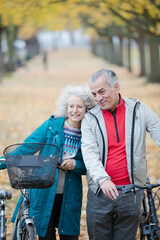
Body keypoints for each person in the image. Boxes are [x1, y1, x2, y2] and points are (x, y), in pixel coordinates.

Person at [1, 85, 96, 240]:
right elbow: (26, 148)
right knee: (46, 235)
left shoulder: (90, 132)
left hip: (70, 193)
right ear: (66, 107)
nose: (75, 110)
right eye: (71, 106)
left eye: (80, 107)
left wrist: (76, 165)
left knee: (70, 235)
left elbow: (93, 164)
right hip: (44, 190)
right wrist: (3, 162)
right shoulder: (52, 126)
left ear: (87, 108)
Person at [81, 69, 160, 240]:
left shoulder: (139, 109)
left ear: (116, 87)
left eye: (102, 92)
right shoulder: (90, 118)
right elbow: (89, 153)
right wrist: (103, 179)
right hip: (100, 194)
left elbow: (158, 131)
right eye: (94, 94)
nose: (98, 98)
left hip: (131, 192)